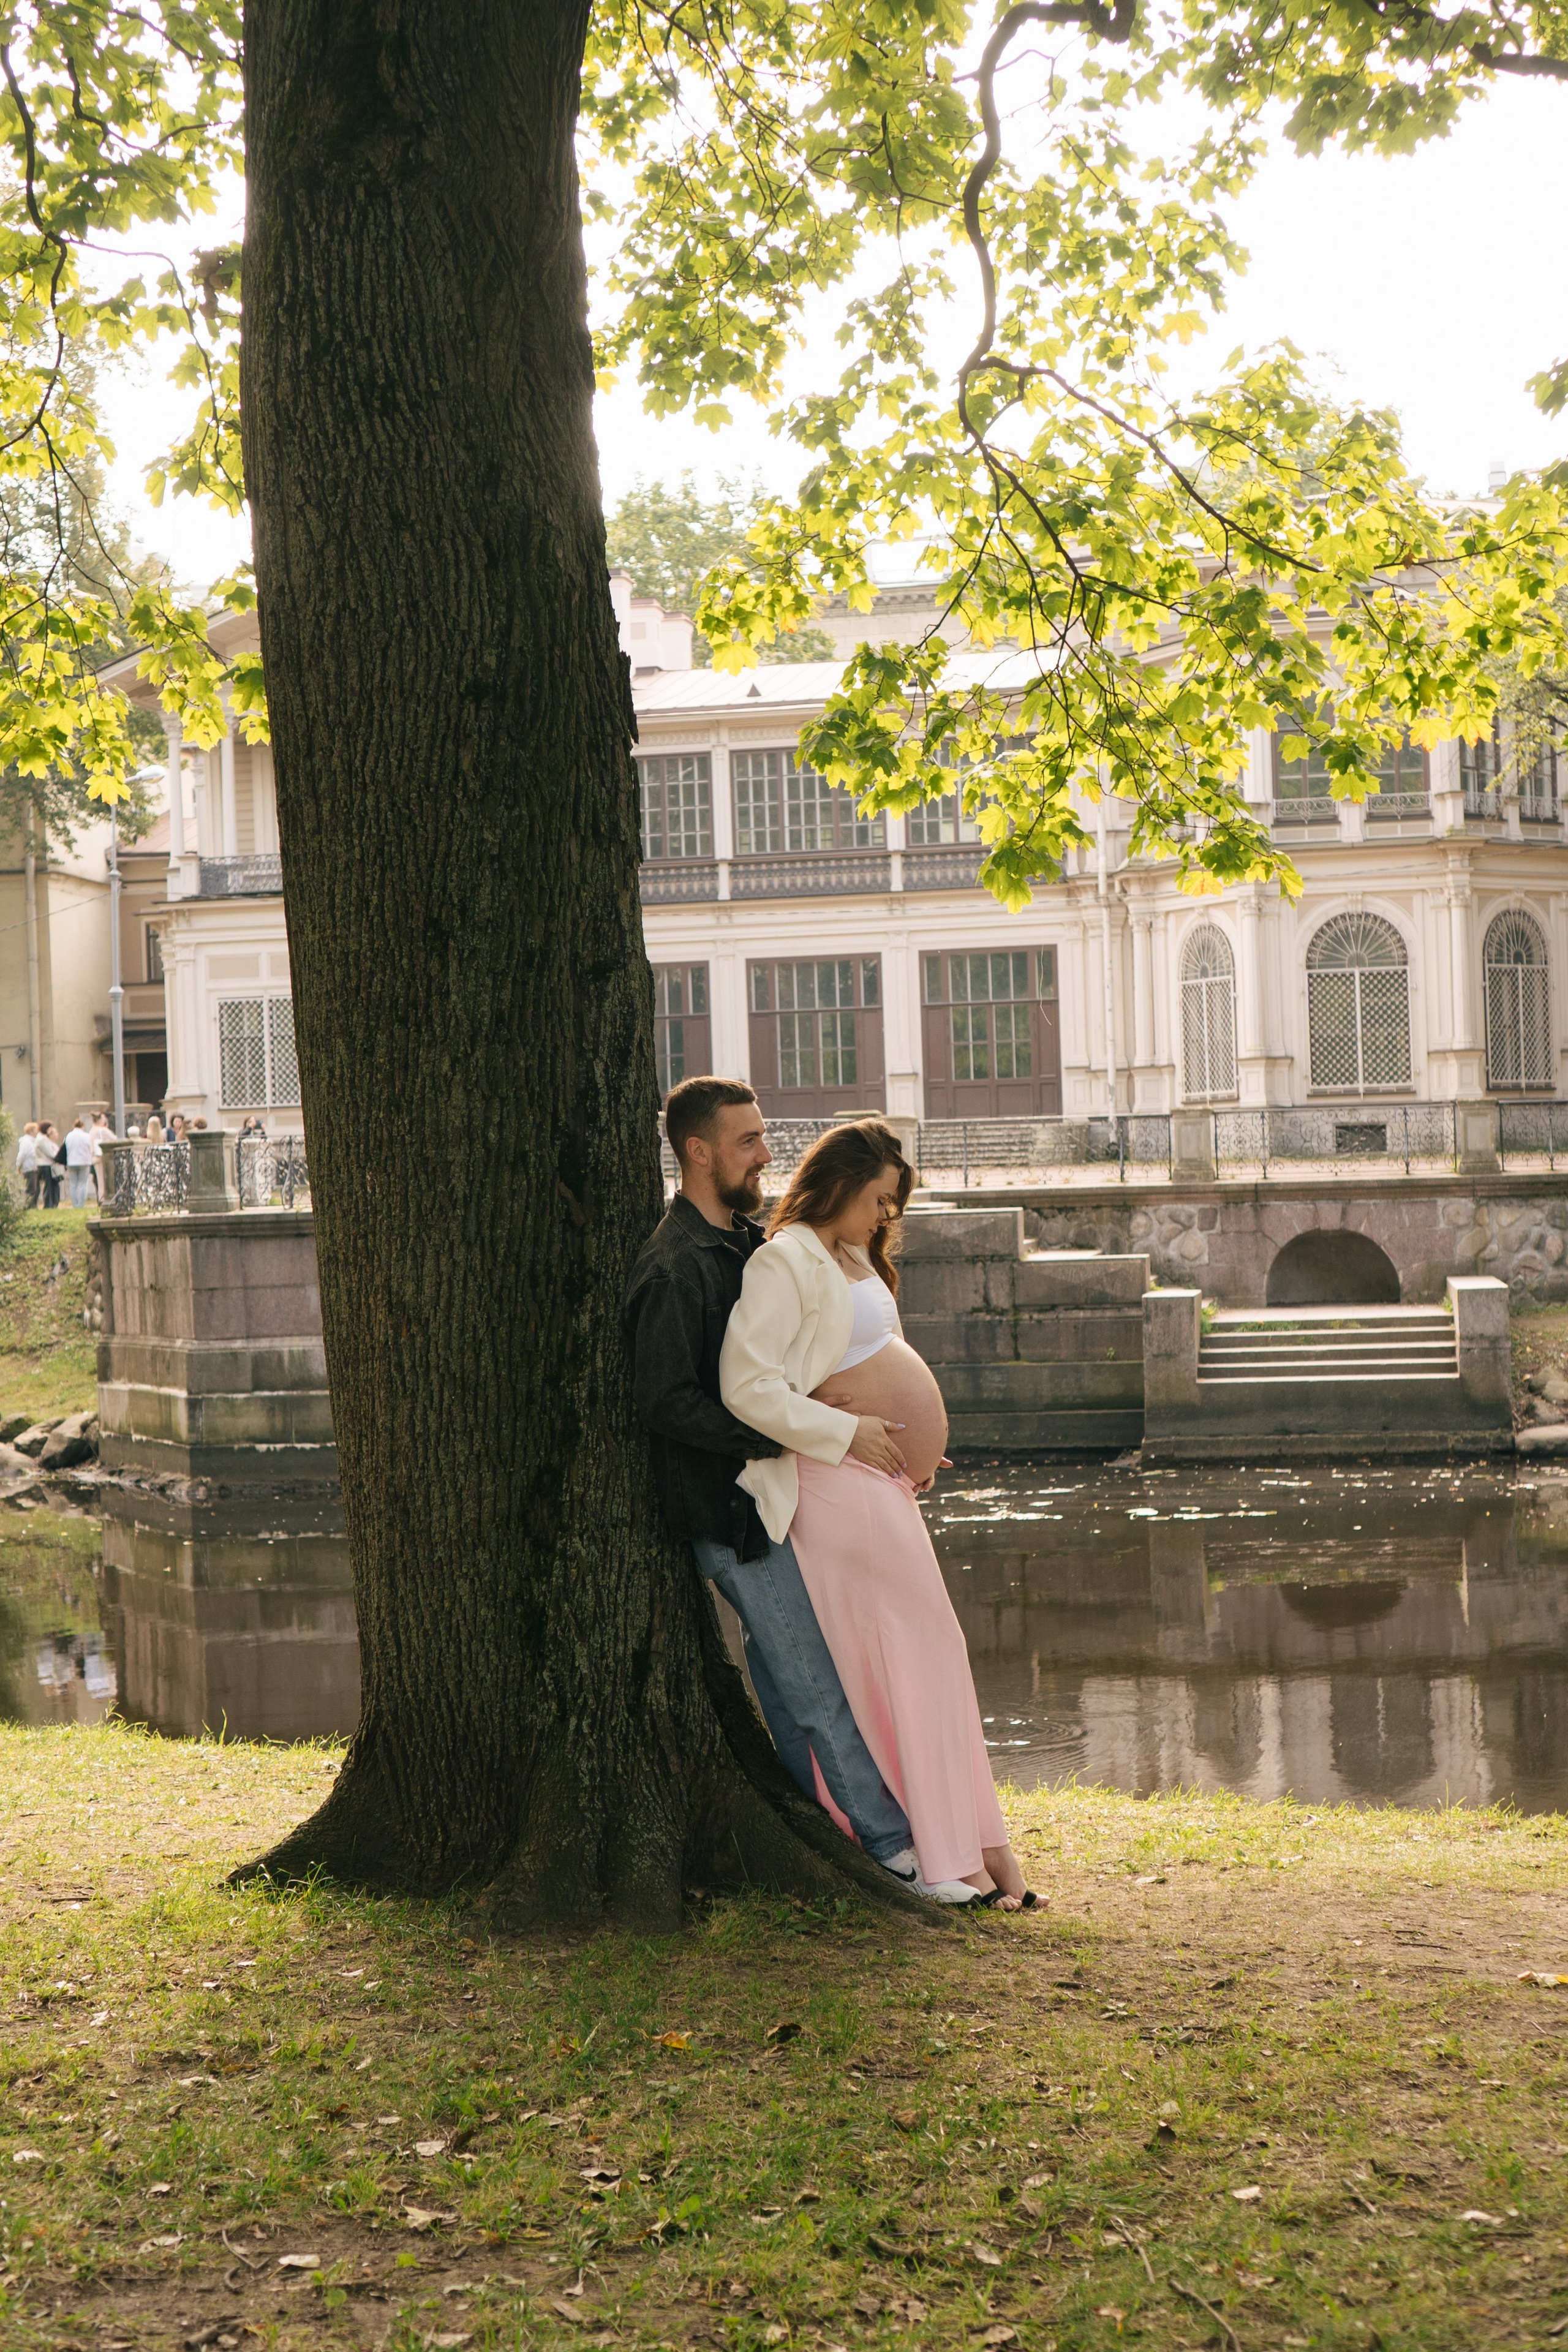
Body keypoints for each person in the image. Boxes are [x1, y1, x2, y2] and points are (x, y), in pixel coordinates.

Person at [720, 1118, 1038, 1912]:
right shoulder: (781, 1259)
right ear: (838, 1183)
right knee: (898, 1654)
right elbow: (747, 1389)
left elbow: (867, 1360)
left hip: (879, 1481)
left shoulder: (854, 1253)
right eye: (878, 1201)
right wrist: (854, 1430)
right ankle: (935, 1854)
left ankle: (978, 1849)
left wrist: (916, 1443)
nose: (884, 1219)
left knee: (930, 1647)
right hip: (830, 1479)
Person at [624, 1076, 924, 1892]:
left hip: (775, 1495)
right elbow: (668, 1400)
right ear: (698, 1151)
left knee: (789, 1684)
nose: (767, 1154)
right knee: (814, 1686)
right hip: (730, 1512)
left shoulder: (746, 1242)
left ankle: (818, 1824)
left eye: (763, 1137)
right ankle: (894, 1850)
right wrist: (795, 1425)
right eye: (748, 1140)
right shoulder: (675, 1266)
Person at [63, 1117, 94, 1207]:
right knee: (83, 1183)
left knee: (73, 1184)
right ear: (82, 1127)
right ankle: (81, 1204)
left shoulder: (68, 1136)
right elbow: (90, 1147)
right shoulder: (86, 1136)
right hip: (84, 1162)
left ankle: (75, 1204)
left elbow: (65, 1148)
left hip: (71, 1162)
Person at [36, 1121, 61, 1208]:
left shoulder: (44, 1139)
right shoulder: (41, 1140)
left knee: (53, 1185)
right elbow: (50, 1153)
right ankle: (48, 1204)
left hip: (49, 1165)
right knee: (48, 1186)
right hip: (45, 1165)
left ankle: (53, 1203)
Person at [15, 1121, 39, 1208]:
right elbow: (22, 1155)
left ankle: (34, 1206)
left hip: (34, 1167)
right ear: (31, 1131)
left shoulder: (33, 1141)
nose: (37, 1132)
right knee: (31, 1188)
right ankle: (28, 1206)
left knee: (36, 1189)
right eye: (36, 1130)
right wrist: (18, 1165)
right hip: (29, 1168)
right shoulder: (26, 1142)